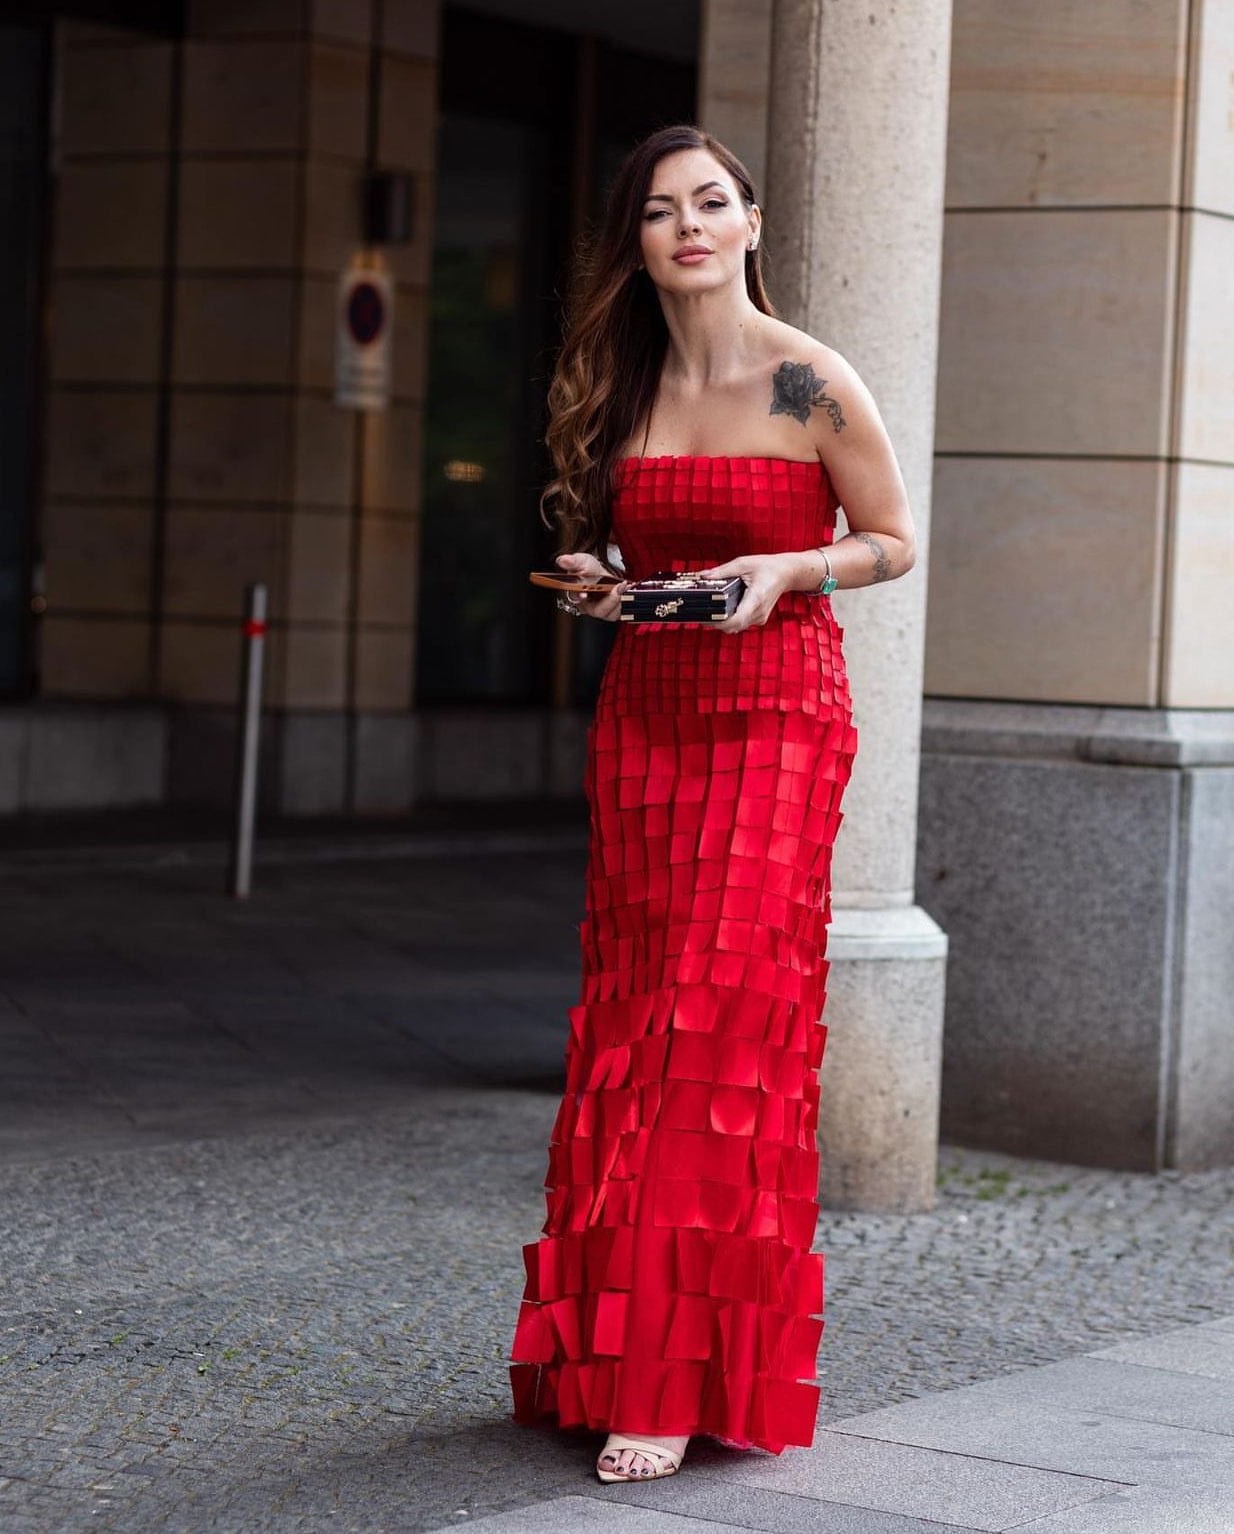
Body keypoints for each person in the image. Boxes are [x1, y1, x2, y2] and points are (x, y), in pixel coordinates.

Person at [507, 123, 917, 1484]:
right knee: (634, 1020)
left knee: (715, 1018)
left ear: (749, 222)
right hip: (650, 712)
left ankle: (675, 1374)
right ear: (634, 239)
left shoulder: (806, 377)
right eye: (660, 210)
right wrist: (599, 577)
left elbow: (894, 540)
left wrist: (792, 567)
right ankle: (603, 1352)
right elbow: (630, 550)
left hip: (778, 713)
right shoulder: (619, 391)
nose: (688, 226)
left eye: (711, 203)